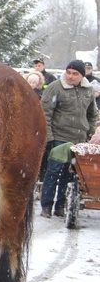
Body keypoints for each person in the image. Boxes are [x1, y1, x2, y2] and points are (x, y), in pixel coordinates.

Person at [40, 59, 98, 217]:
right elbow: (45, 114)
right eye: (68, 72)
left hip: (79, 140)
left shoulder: (88, 90)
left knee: (70, 175)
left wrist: (90, 132)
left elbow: (92, 114)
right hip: (59, 137)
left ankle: (60, 206)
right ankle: (46, 206)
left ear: (82, 75)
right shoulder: (55, 87)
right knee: (53, 172)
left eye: (75, 74)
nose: (71, 76)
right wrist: (50, 138)